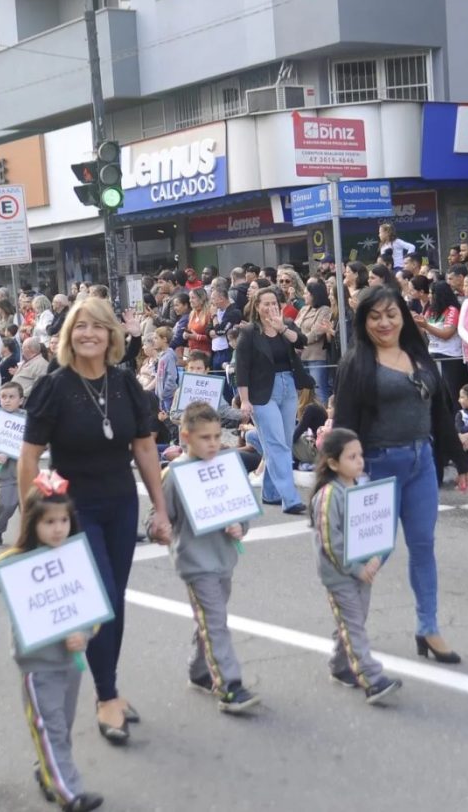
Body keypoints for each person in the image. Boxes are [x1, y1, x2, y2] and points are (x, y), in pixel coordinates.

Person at [19, 297, 172, 744]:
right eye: (80, 326)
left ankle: (110, 687)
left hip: (121, 506)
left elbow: (145, 448)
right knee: (101, 599)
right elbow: (29, 458)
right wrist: (32, 520)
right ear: (69, 335)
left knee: (115, 600)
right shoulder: (55, 385)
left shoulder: (126, 384)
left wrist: (159, 509)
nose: (89, 333)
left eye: (98, 327)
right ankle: (107, 696)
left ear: (112, 335)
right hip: (74, 511)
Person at [0, 478, 104, 812]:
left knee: (63, 725)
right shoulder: (13, 562)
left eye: (63, 521)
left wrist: (83, 634)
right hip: (38, 665)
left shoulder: (76, 556)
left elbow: (92, 606)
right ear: (32, 523)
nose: (58, 529)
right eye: (49, 521)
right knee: (51, 727)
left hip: (71, 663)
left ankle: (48, 772)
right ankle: (68, 794)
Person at [334, 286, 468, 659]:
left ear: (404, 315)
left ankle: (428, 628)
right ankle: (347, 635)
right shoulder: (356, 363)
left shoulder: (417, 353)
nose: (384, 322)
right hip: (375, 465)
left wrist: (459, 461)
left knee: (423, 546)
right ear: (364, 321)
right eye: (375, 316)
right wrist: (344, 476)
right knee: (372, 553)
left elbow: (440, 412)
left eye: (391, 314)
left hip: (421, 462)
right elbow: (344, 424)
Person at [161, 402, 259, 713]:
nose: (214, 443)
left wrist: (239, 525)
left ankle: (199, 669)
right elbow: (161, 517)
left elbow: (242, 508)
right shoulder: (175, 475)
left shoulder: (227, 465)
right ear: (186, 437)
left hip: (223, 557)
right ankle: (229, 685)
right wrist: (160, 529)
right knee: (215, 621)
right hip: (195, 561)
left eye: (218, 436)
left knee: (210, 618)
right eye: (205, 438)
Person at [309, 428, 403, 703]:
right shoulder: (328, 496)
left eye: (360, 455)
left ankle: (339, 667)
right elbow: (331, 542)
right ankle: (371, 678)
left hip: (362, 568)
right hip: (339, 573)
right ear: (333, 463)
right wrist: (356, 568)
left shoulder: (361, 486)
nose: (359, 461)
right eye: (352, 457)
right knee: (354, 624)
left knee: (355, 619)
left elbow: (375, 525)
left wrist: (375, 558)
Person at [235, 287, 311, 516]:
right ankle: (290, 498)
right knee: (277, 444)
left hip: (288, 387)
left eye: (273, 303)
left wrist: (283, 329)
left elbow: (302, 342)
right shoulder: (249, 332)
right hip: (261, 393)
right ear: (257, 308)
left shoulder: (285, 324)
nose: (270, 307)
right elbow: (242, 367)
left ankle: (270, 492)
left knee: (284, 442)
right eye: (265, 304)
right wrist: (245, 401)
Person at [0, 382, 26, 546]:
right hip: (7, 474)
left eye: (12, 397)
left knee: (29, 509)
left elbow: (39, 440)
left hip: (26, 472)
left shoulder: (28, 420)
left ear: (21, 400)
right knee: (6, 505)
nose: (7, 400)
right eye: (3, 397)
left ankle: (28, 538)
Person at [417, 279, 465, 399]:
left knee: (452, 395)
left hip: (449, 356)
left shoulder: (452, 310)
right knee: (438, 395)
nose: (429, 296)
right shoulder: (430, 310)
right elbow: (424, 330)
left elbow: (446, 334)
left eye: (431, 293)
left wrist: (426, 326)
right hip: (433, 355)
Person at [297, 278, 335, 405]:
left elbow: (317, 332)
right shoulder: (304, 309)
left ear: (314, 295)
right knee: (303, 392)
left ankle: (324, 420)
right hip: (301, 356)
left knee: (319, 390)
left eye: (306, 293)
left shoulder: (325, 310)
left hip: (316, 357)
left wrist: (299, 341)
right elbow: (295, 326)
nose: (304, 296)